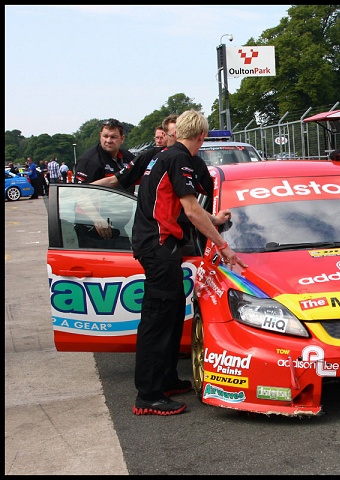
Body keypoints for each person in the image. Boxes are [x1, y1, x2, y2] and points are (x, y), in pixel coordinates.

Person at [131, 109, 247, 416]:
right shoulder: (178, 158)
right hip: (158, 245)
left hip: (158, 243)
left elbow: (192, 208)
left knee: (168, 316)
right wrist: (224, 247)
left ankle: (166, 380)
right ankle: (148, 395)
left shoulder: (166, 155)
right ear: (202, 136)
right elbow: (192, 212)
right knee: (157, 320)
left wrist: (215, 219)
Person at [74, 118, 135, 193]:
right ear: (100, 136)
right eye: (105, 136)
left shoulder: (129, 157)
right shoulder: (89, 161)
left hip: (126, 202)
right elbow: (81, 194)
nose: (108, 141)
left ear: (122, 139)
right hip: (101, 204)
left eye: (113, 137)